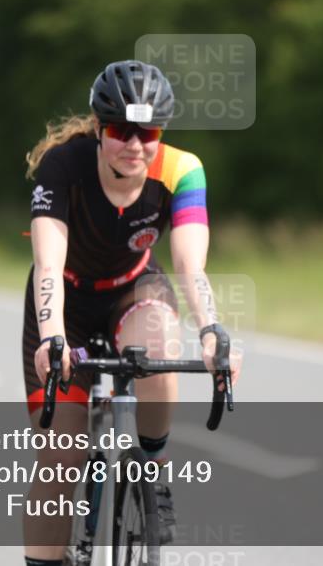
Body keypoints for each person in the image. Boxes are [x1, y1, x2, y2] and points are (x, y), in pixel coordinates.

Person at [21, 60, 241, 565]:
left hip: (132, 288)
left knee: (163, 343)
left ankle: (153, 467)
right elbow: (47, 264)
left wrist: (211, 332)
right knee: (61, 458)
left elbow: (190, 263)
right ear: (99, 129)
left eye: (149, 131)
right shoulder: (64, 166)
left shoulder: (182, 170)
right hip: (65, 302)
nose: (135, 144)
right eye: (121, 131)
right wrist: (53, 339)